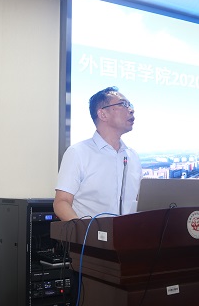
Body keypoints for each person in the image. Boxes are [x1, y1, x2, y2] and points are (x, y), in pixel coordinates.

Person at [54, 87, 142, 221]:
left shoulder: (133, 156)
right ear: (103, 114)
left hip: (130, 233)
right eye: (123, 104)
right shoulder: (78, 153)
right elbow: (62, 202)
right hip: (91, 233)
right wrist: (83, 230)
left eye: (130, 105)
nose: (131, 110)